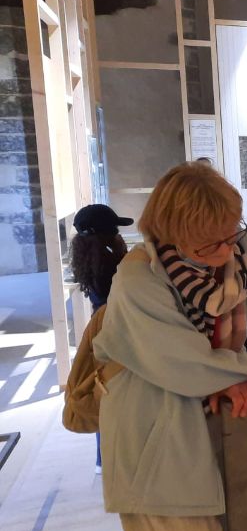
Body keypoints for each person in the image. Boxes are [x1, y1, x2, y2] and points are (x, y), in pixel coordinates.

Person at [93, 162, 247, 531]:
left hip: (196, 443)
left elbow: (209, 362)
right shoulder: (140, 279)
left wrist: (230, 379)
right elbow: (190, 365)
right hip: (156, 459)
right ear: (174, 231)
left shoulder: (226, 268)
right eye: (211, 243)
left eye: (231, 236)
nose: (226, 252)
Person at [69, 203, 132, 474]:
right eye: (115, 229)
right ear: (107, 234)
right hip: (117, 328)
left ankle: (102, 457)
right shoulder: (112, 263)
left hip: (100, 328)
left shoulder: (89, 259)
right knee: (118, 390)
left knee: (103, 388)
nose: (119, 234)